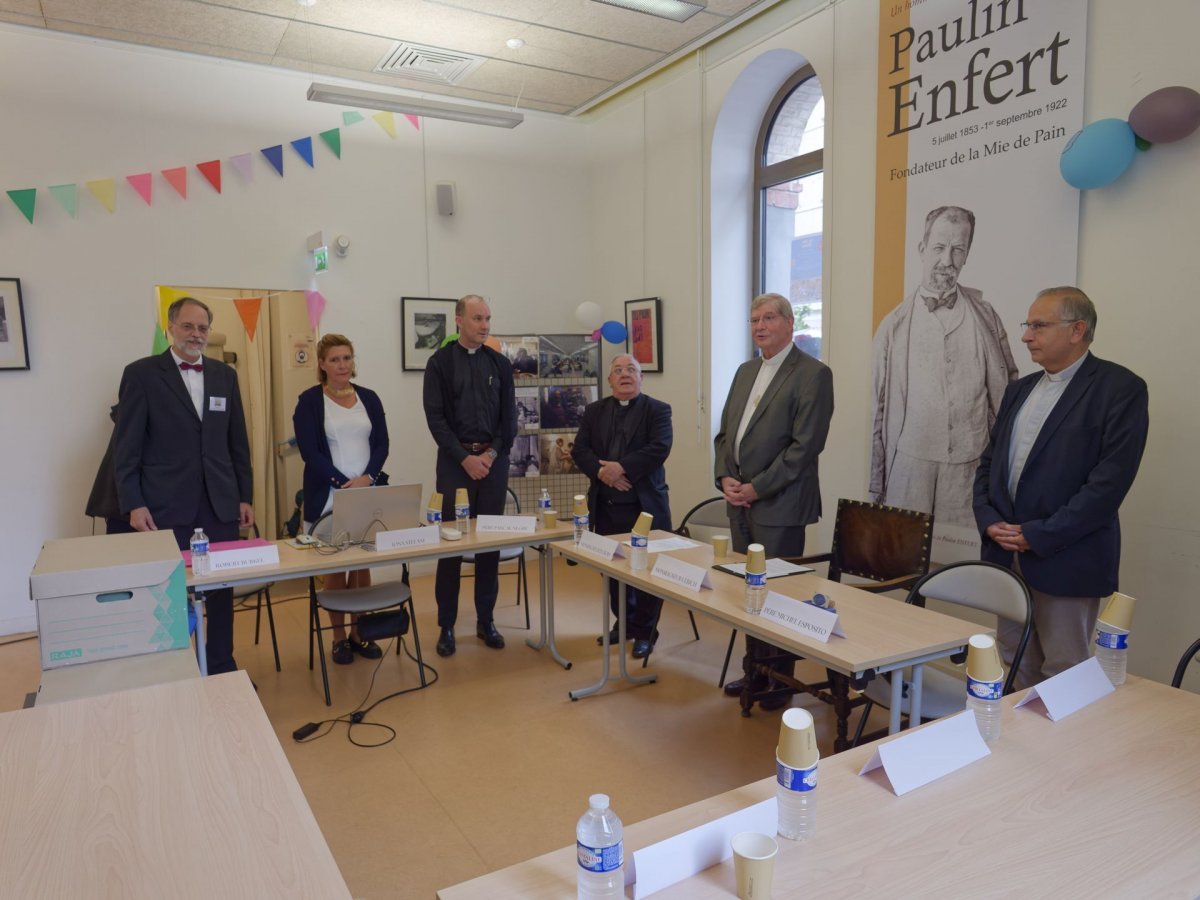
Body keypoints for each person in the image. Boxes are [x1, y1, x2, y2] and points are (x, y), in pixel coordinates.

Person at [974, 287, 1149, 689]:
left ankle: (1060, 754)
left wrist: (1038, 534)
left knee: (1063, 674)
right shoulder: (1019, 389)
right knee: (1012, 664)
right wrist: (988, 520)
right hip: (1005, 553)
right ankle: (1016, 752)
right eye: (1028, 325)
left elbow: (1107, 486)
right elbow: (988, 464)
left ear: (1077, 330)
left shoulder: (1119, 389)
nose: (1026, 336)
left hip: (1067, 557)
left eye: (1039, 326)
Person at [114, 296, 253, 675]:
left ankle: (222, 665)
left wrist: (245, 495)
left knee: (223, 592)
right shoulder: (141, 374)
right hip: (164, 504)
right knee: (169, 594)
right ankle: (176, 669)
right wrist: (133, 503)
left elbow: (237, 442)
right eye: (188, 326)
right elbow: (126, 447)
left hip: (220, 501)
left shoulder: (226, 376)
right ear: (171, 329)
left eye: (203, 327)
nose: (196, 334)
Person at [714, 293, 834, 711]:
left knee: (778, 596)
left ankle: (779, 680)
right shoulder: (746, 371)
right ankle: (755, 672)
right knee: (750, 593)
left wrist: (756, 487)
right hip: (740, 502)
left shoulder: (812, 374)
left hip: (779, 505)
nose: (759, 326)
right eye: (753, 320)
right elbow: (725, 433)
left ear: (788, 323)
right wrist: (726, 477)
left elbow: (804, 448)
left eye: (768, 318)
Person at [871, 205, 1018, 527]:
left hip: (970, 463)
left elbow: (1008, 390)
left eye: (957, 250)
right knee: (902, 560)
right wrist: (876, 482)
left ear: (967, 255)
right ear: (923, 249)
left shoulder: (987, 317)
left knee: (963, 563)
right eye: (939, 248)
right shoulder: (893, 326)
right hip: (910, 463)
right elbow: (878, 410)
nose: (947, 261)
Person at [422, 294, 517, 657]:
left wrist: (490, 455)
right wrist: (465, 458)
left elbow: (509, 421)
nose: (485, 325)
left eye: (488, 318)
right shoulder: (440, 364)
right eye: (478, 318)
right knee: (451, 544)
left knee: (488, 544)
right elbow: (436, 420)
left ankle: (486, 620)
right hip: (454, 462)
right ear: (458, 319)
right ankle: (446, 625)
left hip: (493, 463)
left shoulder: (500, 364)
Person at [293, 333, 390, 665]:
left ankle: (359, 632)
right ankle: (338, 638)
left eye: (346, 358)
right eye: (334, 359)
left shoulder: (370, 398)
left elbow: (382, 445)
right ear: (321, 364)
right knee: (335, 568)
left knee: (361, 564)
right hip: (328, 496)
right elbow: (309, 452)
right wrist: (341, 483)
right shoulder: (309, 401)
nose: (342, 365)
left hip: (366, 493)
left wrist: (367, 479)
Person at [573, 355, 673, 659]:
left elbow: (659, 448)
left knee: (647, 573)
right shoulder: (593, 411)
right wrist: (605, 473)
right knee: (612, 570)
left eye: (632, 370)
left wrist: (621, 469)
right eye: (618, 370)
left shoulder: (658, 410)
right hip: (606, 504)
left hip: (645, 506)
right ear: (610, 380)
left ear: (642, 379)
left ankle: (646, 630)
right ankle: (625, 623)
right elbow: (580, 450)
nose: (625, 375)